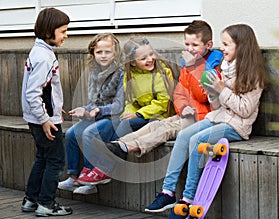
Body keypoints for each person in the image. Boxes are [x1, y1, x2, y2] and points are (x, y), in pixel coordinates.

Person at [145, 24, 267, 219]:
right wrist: (212, 93)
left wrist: (221, 90)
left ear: (241, 47)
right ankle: (167, 192)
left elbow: (245, 110)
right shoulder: (226, 68)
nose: (222, 49)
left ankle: (188, 199)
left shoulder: (254, 75)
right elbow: (218, 108)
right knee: (185, 135)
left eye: (226, 44)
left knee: (197, 141)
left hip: (236, 127)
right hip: (219, 118)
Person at [99, 20, 223, 160]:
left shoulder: (213, 66)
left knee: (165, 130)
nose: (189, 49)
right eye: (187, 44)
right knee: (157, 125)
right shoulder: (188, 64)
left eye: (194, 45)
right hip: (187, 114)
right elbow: (179, 93)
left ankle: (127, 147)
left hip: (203, 118)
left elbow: (202, 96)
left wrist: (192, 67)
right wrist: (183, 107)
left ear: (209, 45)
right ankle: (117, 144)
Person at [77, 37, 176, 185]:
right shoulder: (130, 74)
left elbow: (162, 102)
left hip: (158, 116)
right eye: (143, 58)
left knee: (125, 125)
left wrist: (138, 114)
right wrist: (128, 113)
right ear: (133, 62)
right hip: (139, 114)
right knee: (119, 122)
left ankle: (105, 168)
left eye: (151, 54)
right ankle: (96, 167)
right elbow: (129, 101)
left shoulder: (162, 72)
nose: (150, 59)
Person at [57, 33, 124, 195]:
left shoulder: (121, 73)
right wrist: (85, 110)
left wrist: (97, 111)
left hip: (116, 119)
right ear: (93, 53)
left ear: (115, 53)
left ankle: (91, 178)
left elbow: (120, 106)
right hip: (98, 115)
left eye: (107, 52)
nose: (103, 56)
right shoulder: (94, 73)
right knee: (72, 133)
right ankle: (74, 176)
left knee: (89, 133)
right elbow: (95, 103)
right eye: (99, 52)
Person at [21, 8, 72, 216]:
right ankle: (46, 204)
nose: (66, 36)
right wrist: (45, 119)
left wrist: (56, 106)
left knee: (42, 157)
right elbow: (34, 92)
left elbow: (45, 89)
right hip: (45, 120)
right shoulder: (44, 57)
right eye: (63, 31)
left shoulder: (39, 51)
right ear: (49, 31)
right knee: (56, 160)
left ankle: (30, 200)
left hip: (39, 116)